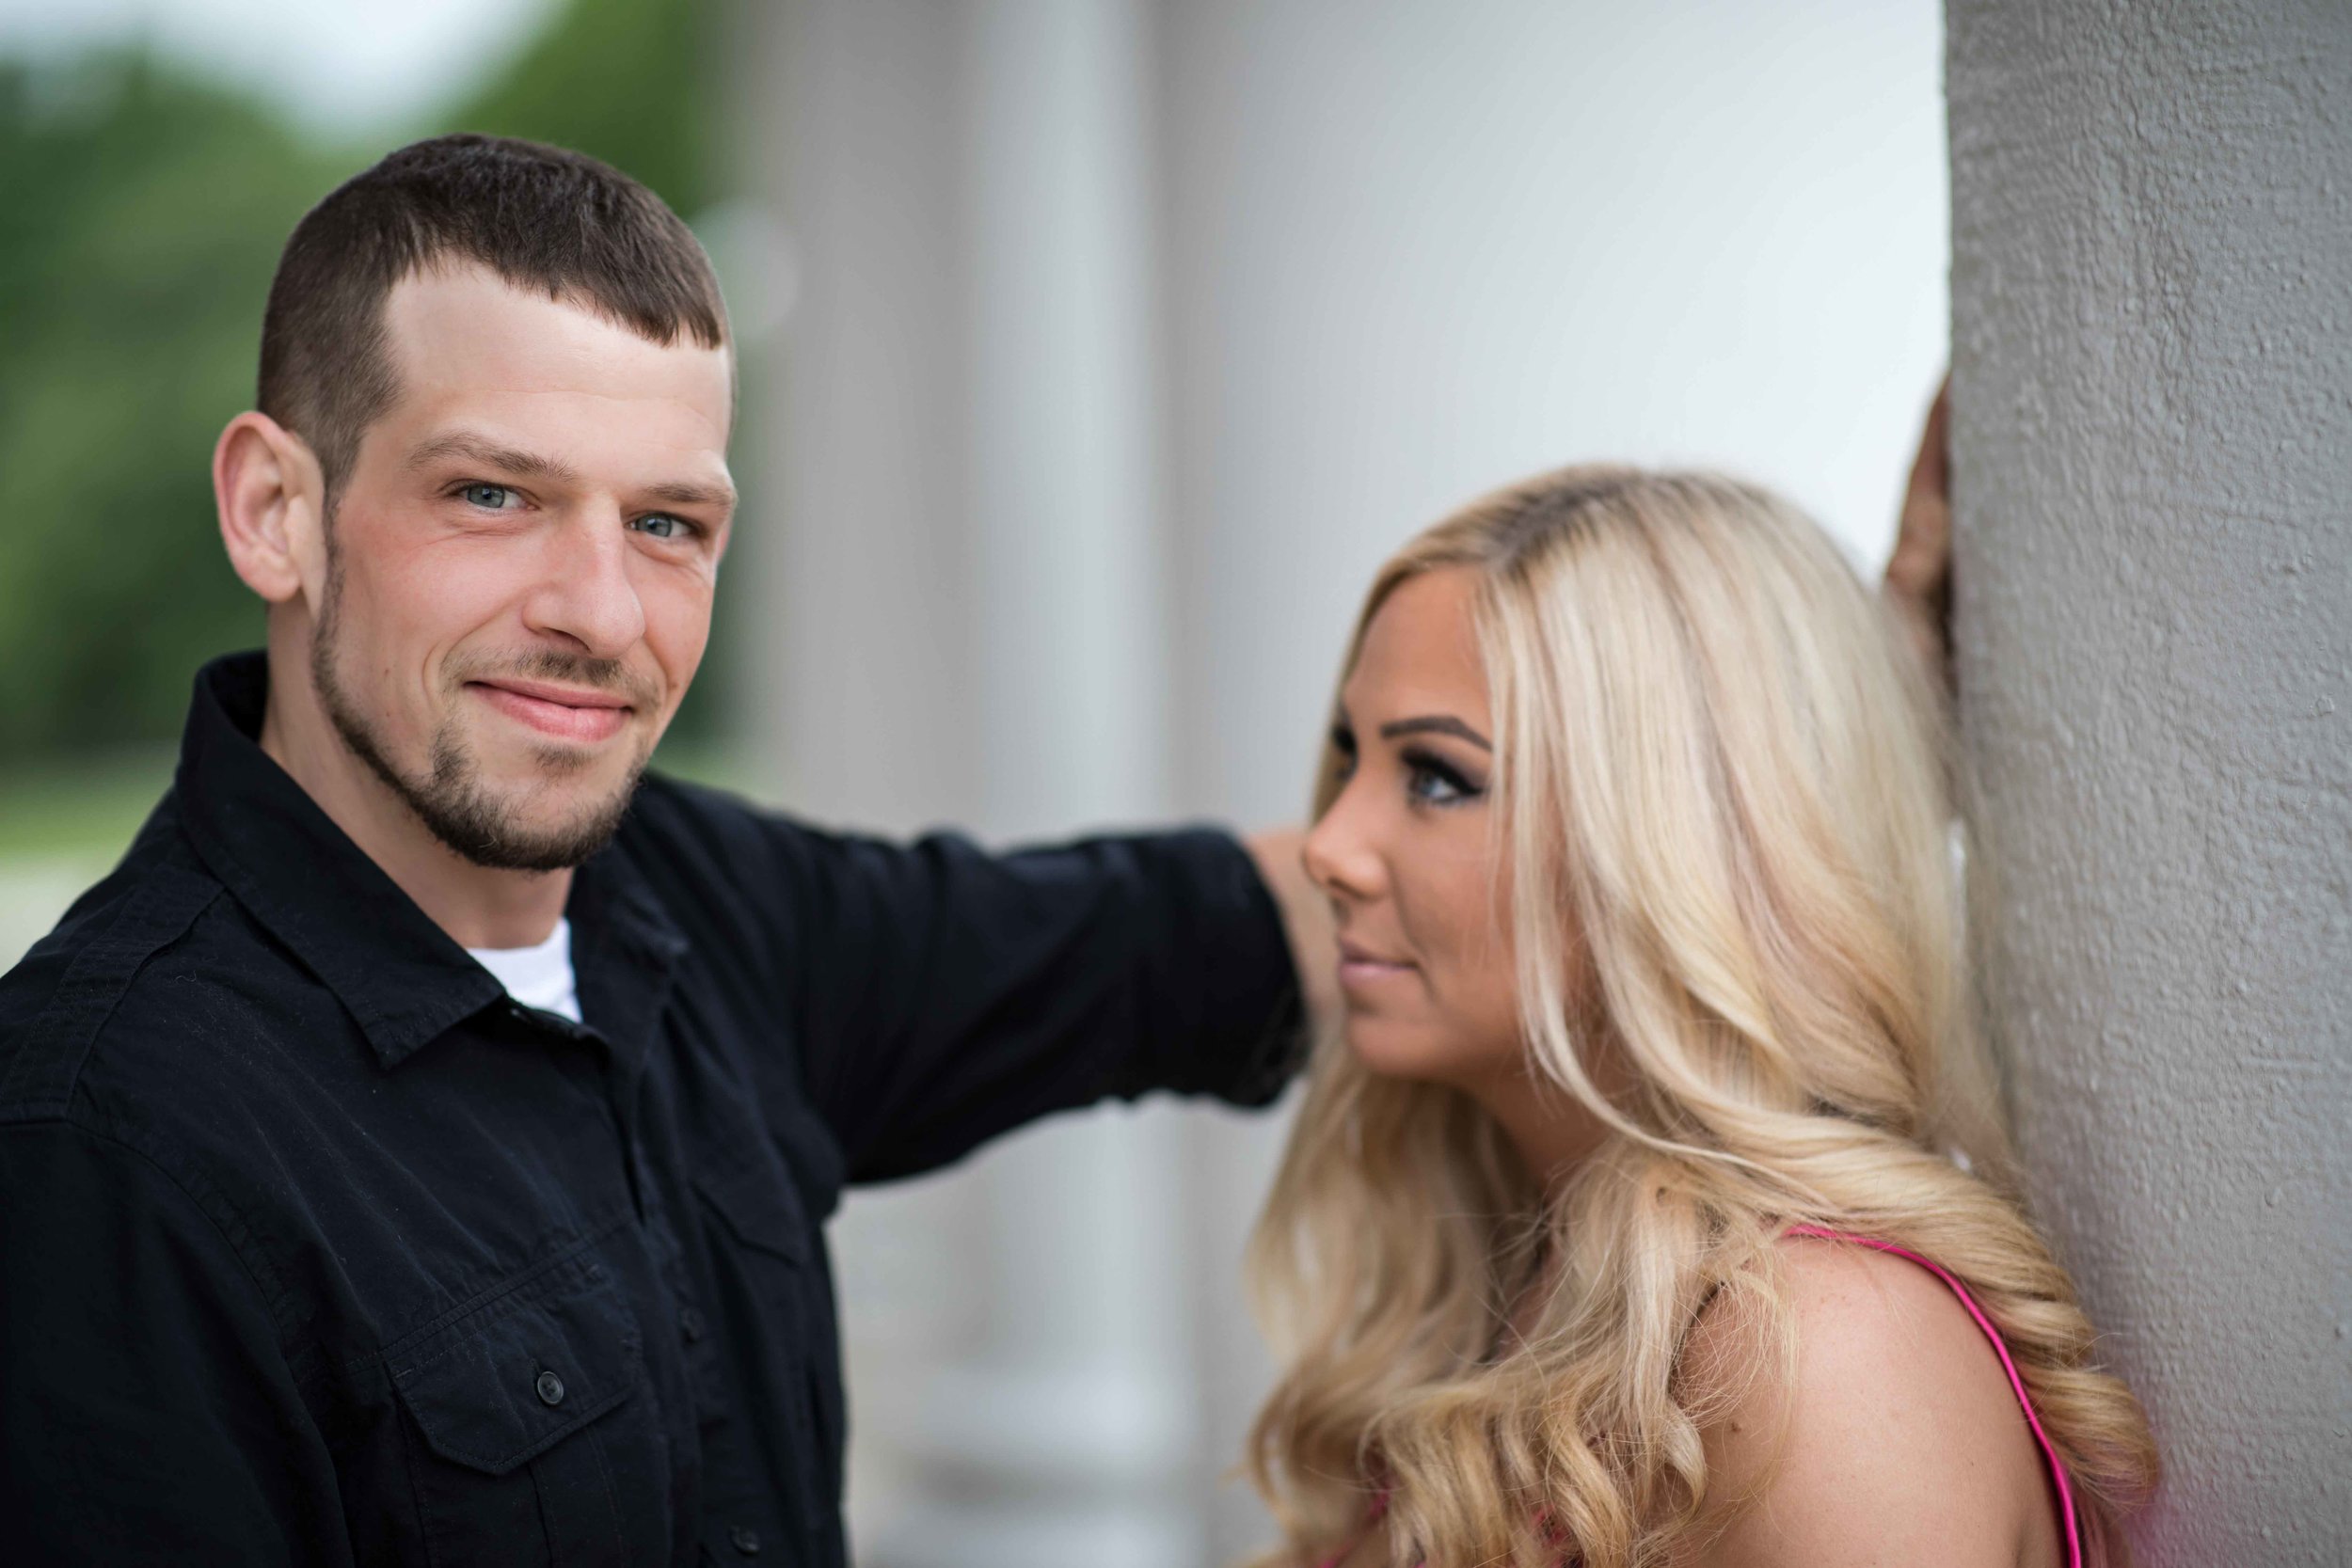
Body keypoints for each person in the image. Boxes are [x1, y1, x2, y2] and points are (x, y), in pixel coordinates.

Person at [0, 135, 1327, 1565]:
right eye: (493, 495)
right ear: (278, 511)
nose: (605, 612)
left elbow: (1167, 938)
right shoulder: (100, 1140)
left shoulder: (697, 899)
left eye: (666, 522)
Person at [1243, 462, 2159, 1567]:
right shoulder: (1518, 1279)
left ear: (1677, 842)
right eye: (1352, 755)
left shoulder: (1818, 1346)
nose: (1327, 848)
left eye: (1436, 776)